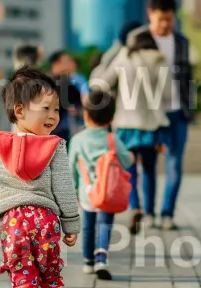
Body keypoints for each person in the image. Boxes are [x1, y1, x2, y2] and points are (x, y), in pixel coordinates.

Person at [0, 67, 80, 288]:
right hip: (46, 222)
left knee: (23, 280)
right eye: (46, 108)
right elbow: (63, 187)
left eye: (56, 109)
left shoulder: (1, 145)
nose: (53, 115)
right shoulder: (55, 147)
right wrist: (71, 223)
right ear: (19, 110)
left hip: (12, 223)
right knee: (50, 278)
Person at [90, 32, 172, 233]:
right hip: (152, 124)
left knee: (129, 168)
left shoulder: (125, 55)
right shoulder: (160, 59)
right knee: (150, 170)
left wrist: (105, 60)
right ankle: (151, 215)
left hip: (126, 123)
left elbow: (102, 82)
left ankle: (135, 207)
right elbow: (169, 93)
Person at [126, 0, 193, 231]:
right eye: (160, 19)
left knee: (175, 163)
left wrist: (189, 108)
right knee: (145, 164)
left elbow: (187, 77)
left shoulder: (182, 41)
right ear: (150, 14)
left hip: (176, 112)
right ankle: (144, 211)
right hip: (147, 115)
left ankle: (167, 213)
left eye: (169, 19)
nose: (165, 25)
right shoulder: (137, 38)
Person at [68, 90, 134, 280]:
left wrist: (72, 192)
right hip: (108, 191)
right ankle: (101, 258)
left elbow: (71, 168)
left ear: (86, 114)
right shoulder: (112, 139)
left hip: (86, 194)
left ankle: (88, 261)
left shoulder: (78, 140)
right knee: (104, 223)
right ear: (111, 117)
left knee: (88, 226)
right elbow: (127, 161)